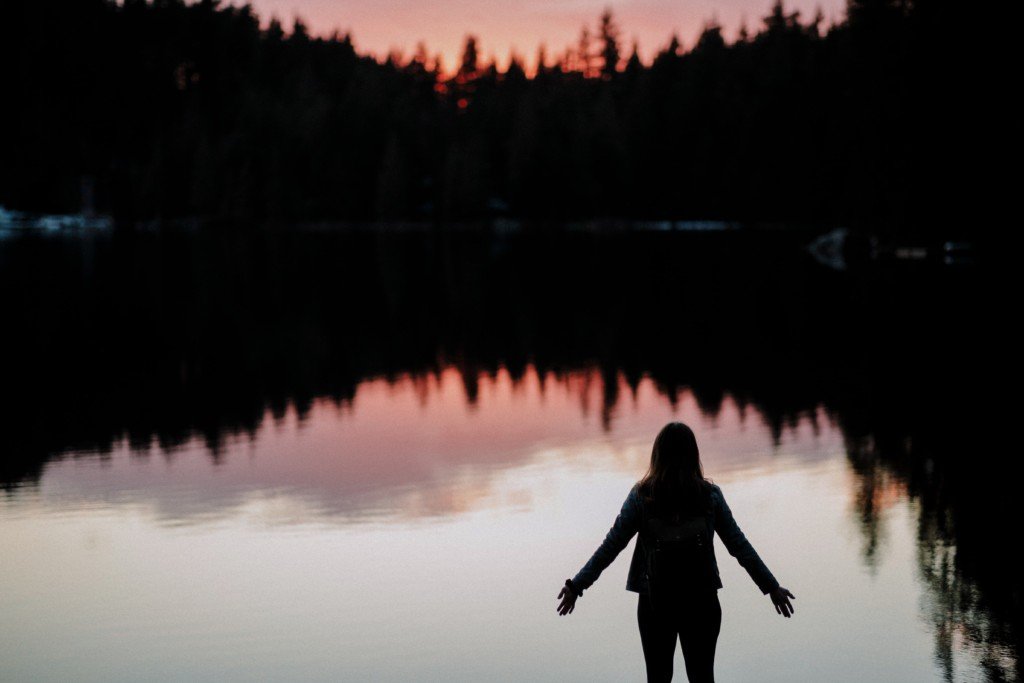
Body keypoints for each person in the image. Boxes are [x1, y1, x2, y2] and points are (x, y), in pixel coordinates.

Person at [556, 422, 795, 683]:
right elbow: (740, 546)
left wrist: (576, 586)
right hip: (702, 601)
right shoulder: (709, 497)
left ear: (657, 455)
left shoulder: (642, 497)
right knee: (702, 677)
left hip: (654, 603)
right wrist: (771, 587)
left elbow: (611, 546)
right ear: (693, 455)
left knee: (658, 678)